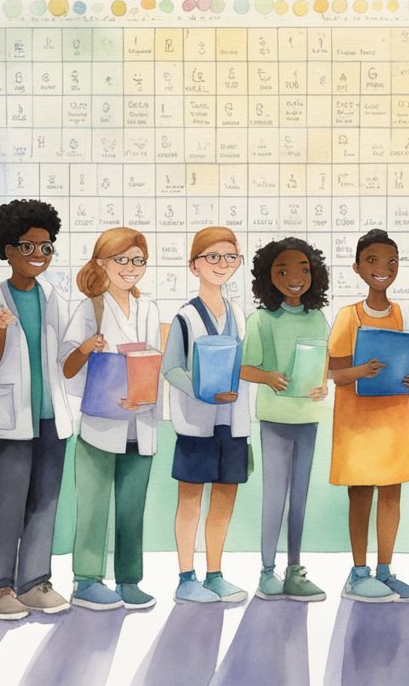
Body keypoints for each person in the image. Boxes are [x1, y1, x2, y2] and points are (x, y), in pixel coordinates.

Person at [0, 199, 73, 620]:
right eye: (28, 247)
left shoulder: (53, 297)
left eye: (46, 248)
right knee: (7, 503)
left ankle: (34, 582)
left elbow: (63, 353)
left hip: (50, 416)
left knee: (45, 501)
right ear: (7, 250)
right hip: (10, 420)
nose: (38, 257)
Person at [60, 227, 162, 611]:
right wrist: (88, 346)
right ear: (102, 262)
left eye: (138, 260)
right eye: (122, 260)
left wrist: (144, 396)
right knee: (93, 505)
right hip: (100, 425)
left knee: (132, 507)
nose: (131, 268)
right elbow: (68, 368)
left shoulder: (148, 309)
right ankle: (86, 580)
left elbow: (154, 361)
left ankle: (129, 580)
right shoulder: (90, 308)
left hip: (141, 422)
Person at [328, 229, 409, 603]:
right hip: (357, 421)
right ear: (357, 267)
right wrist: (361, 370)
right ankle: (357, 572)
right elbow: (334, 373)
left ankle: (385, 570)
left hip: (393, 417)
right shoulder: (348, 316)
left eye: (391, 262)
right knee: (360, 495)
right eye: (373, 261)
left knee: (392, 494)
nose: (383, 269)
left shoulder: (403, 313)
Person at [162, 226, 251, 604]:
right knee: (191, 499)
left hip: (234, 422)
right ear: (194, 265)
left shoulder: (239, 315)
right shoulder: (185, 317)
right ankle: (186, 577)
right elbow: (171, 369)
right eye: (212, 257)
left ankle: (214, 573)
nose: (222, 264)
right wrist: (202, 391)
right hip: (196, 423)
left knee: (225, 498)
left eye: (230, 257)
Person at [242, 237, 331, 602]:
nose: (295, 278)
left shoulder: (318, 317)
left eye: (303, 270)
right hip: (276, 417)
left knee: (300, 498)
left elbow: (323, 362)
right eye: (283, 271)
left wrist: (323, 386)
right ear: (268, 277)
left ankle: (295, 569)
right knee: (274, 497)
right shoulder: (261, 319)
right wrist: (268, 377)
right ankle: (267, 571)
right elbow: (245, 367)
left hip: (308, 415)